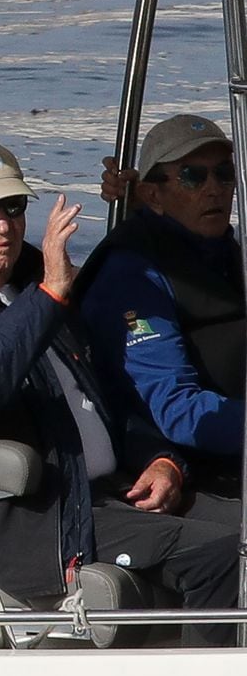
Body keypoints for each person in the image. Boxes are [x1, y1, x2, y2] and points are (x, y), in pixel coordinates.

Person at [0, 135, 238, 646]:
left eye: (13, 206)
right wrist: (47, 296)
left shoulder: (33, 273)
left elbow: (108, 392)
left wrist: (161, 458)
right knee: (224, 554)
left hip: (110, 491)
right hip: (22, 516)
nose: (2, 226)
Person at [83, 115, 243, 494]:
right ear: (153, 194)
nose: (214, 189)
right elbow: (175, 407)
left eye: (224, 174)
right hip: (194, 465)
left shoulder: (225, 253)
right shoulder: (132, 276)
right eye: (193, 176)